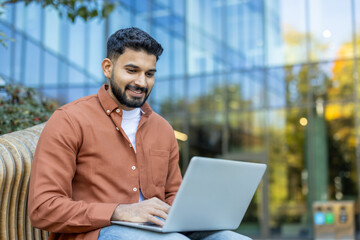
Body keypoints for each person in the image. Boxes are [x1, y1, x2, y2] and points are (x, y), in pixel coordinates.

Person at [28, 27, 252, 240]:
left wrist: (195, 212)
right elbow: (43, 208)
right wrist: (119, 211)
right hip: (97, 232)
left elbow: (173, 196)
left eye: (150, 74)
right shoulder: (70, 119)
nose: (142, 82)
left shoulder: (162, 129)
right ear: (108, 68)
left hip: (159, 230)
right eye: (132, 70)